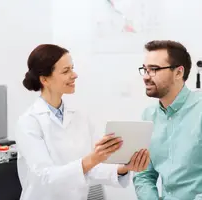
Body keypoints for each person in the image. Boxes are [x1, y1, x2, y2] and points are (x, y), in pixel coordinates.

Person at [15, 44, 150, 200]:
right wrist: (92, 159)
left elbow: (88, 170)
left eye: (72, 68)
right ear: (45, 79)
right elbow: (45, 178)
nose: (75, 75)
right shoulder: (29, 122)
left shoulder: (79, 117)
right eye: (66, 71)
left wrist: (124, 168)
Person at [133, 40, 202, 200]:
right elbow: (143, 174)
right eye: (144, 70)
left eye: (154, 70)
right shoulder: (148, 116)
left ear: (179, 72)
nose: (146, 77)